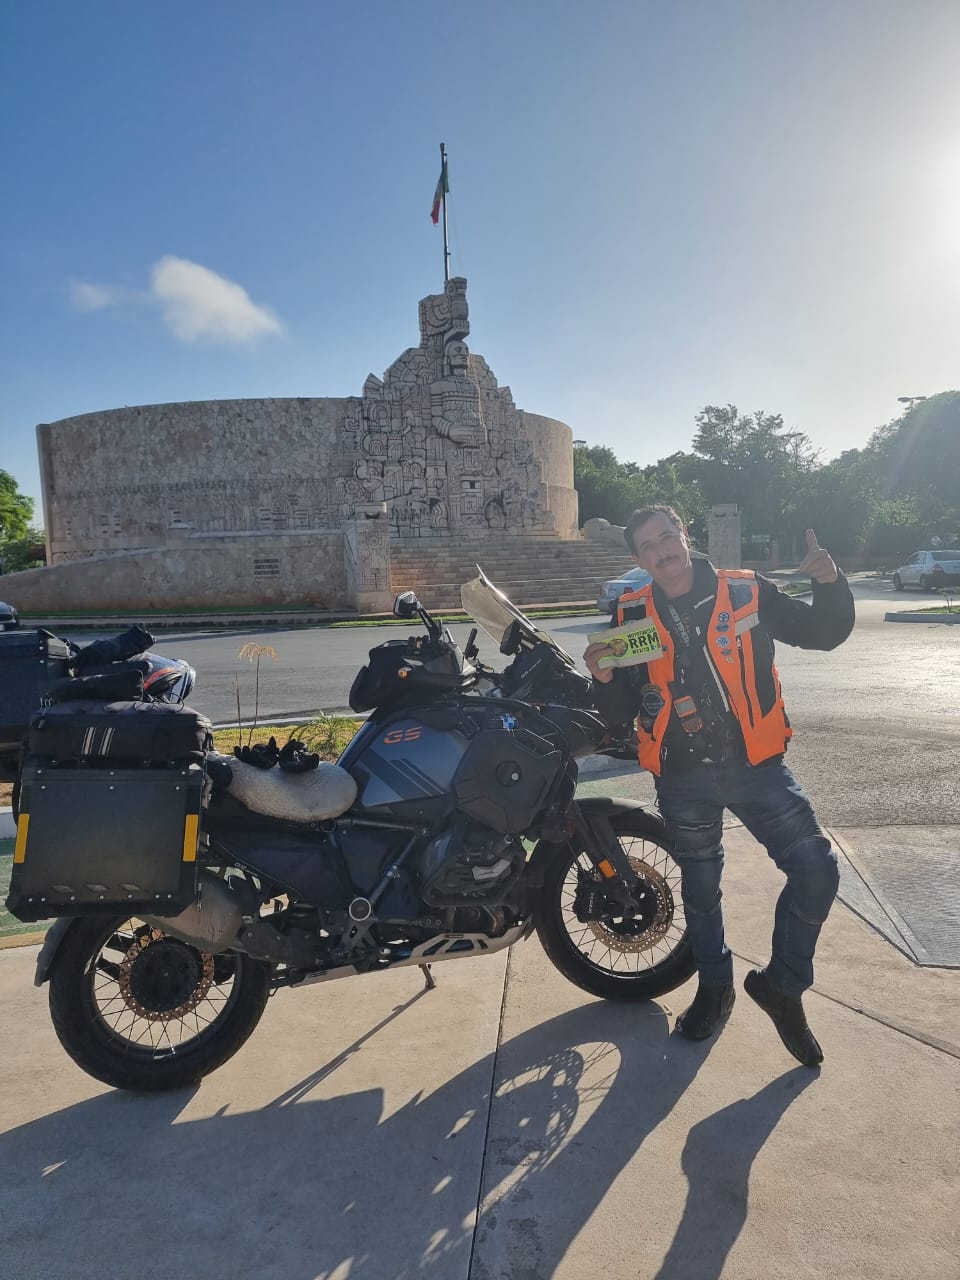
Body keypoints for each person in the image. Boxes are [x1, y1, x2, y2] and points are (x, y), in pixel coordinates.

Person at [584, 505, 855, 1066]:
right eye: (648, 546)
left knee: (816, 870)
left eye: (668, 537)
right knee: (700, 894)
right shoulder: (630, 613)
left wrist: (830, 584)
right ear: (637, 559)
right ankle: (715, 989)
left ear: (685, 536)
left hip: (757, 767)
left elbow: (824, 633)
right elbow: (620, 709)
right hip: (682, 778)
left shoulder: (745, 592)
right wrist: (605, 679)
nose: (663, 551)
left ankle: (782, 983)